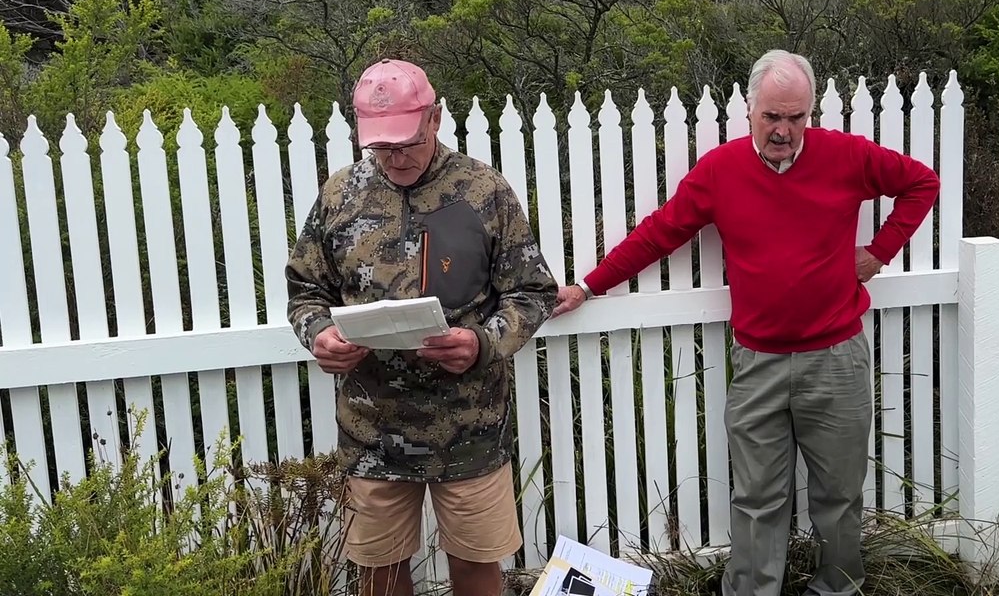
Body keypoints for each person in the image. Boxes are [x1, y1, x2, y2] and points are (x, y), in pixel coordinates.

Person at [552, 49, 940, 596]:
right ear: (750, 109)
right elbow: (660, 232)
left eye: (796, 117)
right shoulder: (721, 170)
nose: (783, 130)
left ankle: (838, 588)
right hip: (757, 361)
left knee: (839, 494)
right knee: (757, 497)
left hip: (837, 359)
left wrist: (879, 251)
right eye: (771, 117)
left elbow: (922, 183)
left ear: (811, 112)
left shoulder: (847, 156)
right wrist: (589, 285)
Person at [285, 58, 558, 596]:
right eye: (382, 148)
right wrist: (318, 334)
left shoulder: (484, 191)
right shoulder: (340, 196)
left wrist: (481, 343)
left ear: (435, 119)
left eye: (407, 141)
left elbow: (532, 292)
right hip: (371, 431)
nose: (397, 157)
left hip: (470, 425)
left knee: (478, 567)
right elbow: (305, 290)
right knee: (378, 573)